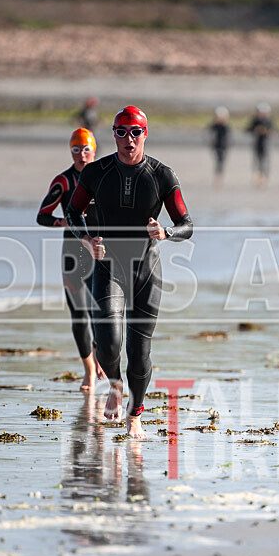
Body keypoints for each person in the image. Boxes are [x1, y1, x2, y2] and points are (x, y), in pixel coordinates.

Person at [66, 105, 193, 437]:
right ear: (114, 134)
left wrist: (166, 232)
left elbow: (187, 225)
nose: (129, 139)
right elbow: (73, 212)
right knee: (108, 345)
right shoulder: (96, 173)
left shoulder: (162, 175)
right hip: (107, 267)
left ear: (145, 134)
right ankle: (115, 384)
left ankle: (134, 415)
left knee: (140, 354)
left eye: (135, 132)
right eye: (121, 132)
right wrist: (87, 239)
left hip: (146, 271)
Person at [36, 128, 105, 391]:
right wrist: (64, 221)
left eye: (86, 149)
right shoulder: (63, 181)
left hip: (98, 250)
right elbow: (42, 215)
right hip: (72, 253)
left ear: (94, 150)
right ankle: (88, 370)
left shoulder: (103, 177)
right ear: (71, 151)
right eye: (76, 149)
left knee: (100, 311)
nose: (81, 154)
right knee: (79, 313)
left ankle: (101, 356)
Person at [246, 103, 274, 187]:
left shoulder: (269, 121)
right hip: (256, 144)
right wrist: (256, 130)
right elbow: (248, 129)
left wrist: (266, 132)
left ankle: (264, 179)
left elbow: (273, 131)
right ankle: (257, 178)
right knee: (256, 162)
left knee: (265, 162)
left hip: (265, 144)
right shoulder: (255, 121)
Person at [207, 106, 231, 186]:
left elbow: (228, 138)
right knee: (218, 163)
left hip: (223, 148)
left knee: (221, 163)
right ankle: (217, 179)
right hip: (216, 147)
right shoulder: (214, 126)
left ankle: (219, 179)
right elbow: (209, 133)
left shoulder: (225, 127)